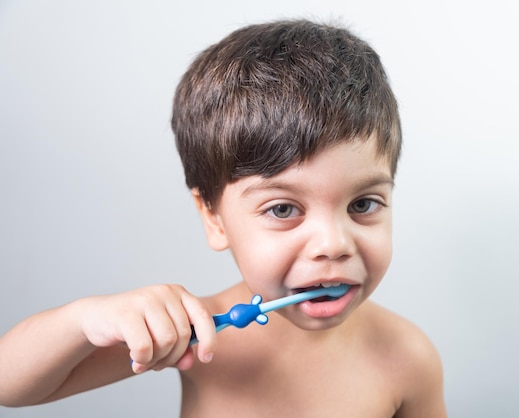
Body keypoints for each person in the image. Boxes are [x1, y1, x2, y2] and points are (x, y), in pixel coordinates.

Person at [0, 19, 446, 417]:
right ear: (213, 219)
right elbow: (9, 387)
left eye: (363, 204)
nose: (333, 243)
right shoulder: (199, 331)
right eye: (283, 209)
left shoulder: (407, 358)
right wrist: (83, 320)